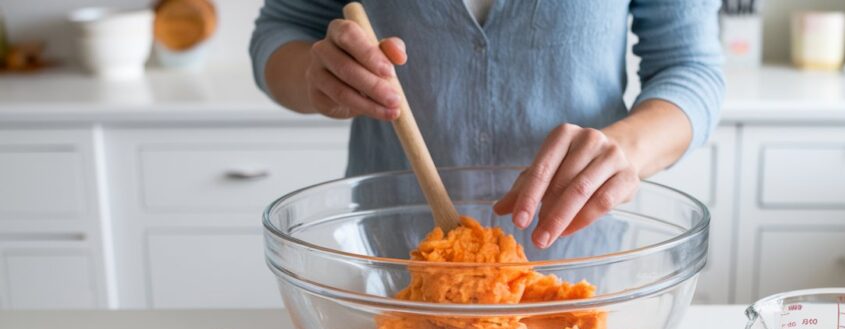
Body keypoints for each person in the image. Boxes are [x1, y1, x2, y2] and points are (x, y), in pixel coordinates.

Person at [251, 0, 723, 249]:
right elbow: (279, 34)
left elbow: (692, 68)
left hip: (581, 265)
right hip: (392, 262)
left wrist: (628, 149)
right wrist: (317, 77)